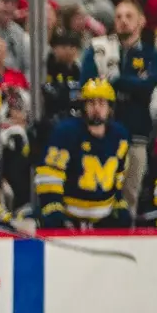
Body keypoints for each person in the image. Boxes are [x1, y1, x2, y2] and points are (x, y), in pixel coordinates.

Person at [79, 0, 157, 207]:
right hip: (100, 132)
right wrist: (130, 82)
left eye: (129, 16)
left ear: (141, 21)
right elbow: (87, 85)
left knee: (130, 194)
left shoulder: (150, 54)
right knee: (97, 190)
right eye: (119, 16)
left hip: (136, 134)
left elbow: (146, 87)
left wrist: (114, 81)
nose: (123, 21)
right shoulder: (98, 49)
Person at [36, 78, 133, 230]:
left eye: (102, 103)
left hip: (104, 218)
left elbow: (118, 176)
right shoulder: (66, 133)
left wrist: (118, 203)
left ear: (110, 108)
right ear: (83, 106)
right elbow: (49, 175)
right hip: (70, 216)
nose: (96, 108)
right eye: (91, 103)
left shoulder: (120, 135)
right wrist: (53, 208)